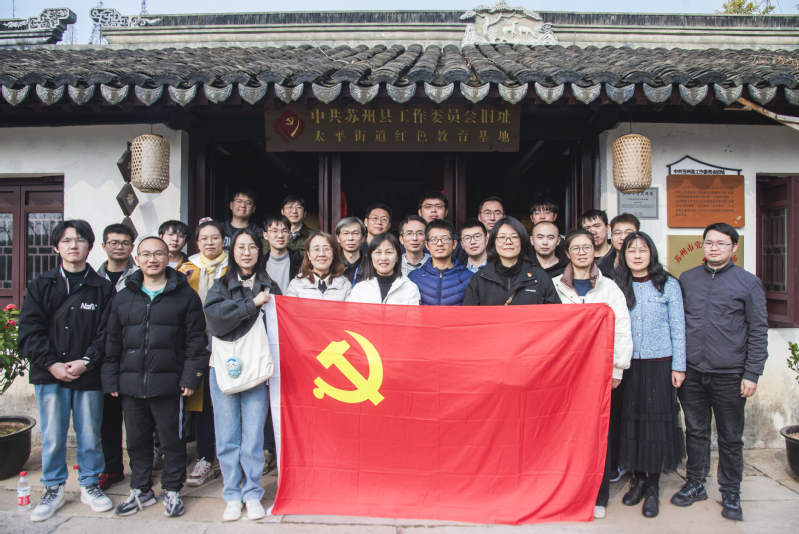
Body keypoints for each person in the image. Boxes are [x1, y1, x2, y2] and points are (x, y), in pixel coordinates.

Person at [103, 237, 209, 518]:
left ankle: (172, 489)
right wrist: (110, 379)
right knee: (137, 442)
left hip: (169, 384)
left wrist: (191, 378)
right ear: (137, 259)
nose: (152, 259)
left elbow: (196, 343)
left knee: (172, 441)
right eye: (146, 254)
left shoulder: (185, 296)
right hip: (130, 384)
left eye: (158, 254)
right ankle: (140, 489)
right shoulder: (123, 296)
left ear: (167, 257)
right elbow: (111, 342)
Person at [19, 220, 115, 522]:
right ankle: (53, 488)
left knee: (90, 435)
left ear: (90, 245)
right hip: (50, 375)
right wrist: (52, 364)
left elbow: (108, 333)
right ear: (56, 247)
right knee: (52, 435)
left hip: (88, 374)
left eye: (80, 240)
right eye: (66, 240)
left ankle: (89, 484)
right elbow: (29, 331)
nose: (74, 245)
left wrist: (87, 361)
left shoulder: (103, 288)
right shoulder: (40, 285)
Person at [671, 223, 768, 522]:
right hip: (692, 373)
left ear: (734, 247)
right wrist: (678, 365)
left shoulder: (748, 283)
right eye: (709, 242)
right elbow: (678, 324)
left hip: (730, 374)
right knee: (695, 432)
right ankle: (696, 483)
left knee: (730, 437)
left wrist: (752, 373)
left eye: (721, 243)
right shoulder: (688, 279)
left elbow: (758, 329)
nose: (714, 248)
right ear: (702, 245)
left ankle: (731, 491)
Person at [552, 229, 632, 519]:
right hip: (563, 374)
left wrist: (617, 368)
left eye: (587, 247)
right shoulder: (554, 286)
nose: (582, 252)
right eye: (576, 248)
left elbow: (621, 328)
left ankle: (597, 496)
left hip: (598, 372)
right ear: (567, 253)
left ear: (594, 251)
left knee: (597, 432)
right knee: (563, 433)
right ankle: (564, 493)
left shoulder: (609, 288)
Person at [204, 228, 281, 521]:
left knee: (253, 437)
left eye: (252, 247)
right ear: (232, 252)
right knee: (227, 436)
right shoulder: (221, 284)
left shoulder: (271, 286)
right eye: (240, 247)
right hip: (223, 368)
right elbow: (215, 321)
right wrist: (252, 303)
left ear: (260, 251)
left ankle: (252, 492)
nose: (246, 252)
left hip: (258, 370)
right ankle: (232, 494)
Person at [615, 231, 686, 519]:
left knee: (655, 426)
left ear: (651, 253)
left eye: (642, 250)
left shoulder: (667, 284)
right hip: (629, 364)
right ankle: (638, 479)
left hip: (659, 364)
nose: (637, 255)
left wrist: (679, 366)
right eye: (631, 250)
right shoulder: (618, 285)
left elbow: (678, 327)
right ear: (624, 255)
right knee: (632, 424)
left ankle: (653, 485)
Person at [179, 219, 229, 487]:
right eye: (204, 238)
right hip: (196, 347)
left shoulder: (233, 266)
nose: (210, 242)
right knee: (201, 406)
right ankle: (205, 457)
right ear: (197, 242)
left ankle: (227, 458)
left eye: (215, 237)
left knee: (227, 401)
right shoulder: (185, 269)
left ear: (223, 240)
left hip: (227, 345)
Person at [96, 223, 138, 491]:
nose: (119, 247)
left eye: (125, 243)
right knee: (107, 417)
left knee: (138, 420)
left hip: (135, 354)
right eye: (113, 242)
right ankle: (111, 468)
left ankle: (141, 470)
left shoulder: (142, 275)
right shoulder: (93, 279)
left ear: (132, 247)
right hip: (104, 356)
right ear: (104, 246)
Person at [462, 217, 560, 306]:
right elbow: (469, 316)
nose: (508, 242)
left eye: (514, 237)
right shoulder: (480, 278)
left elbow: (555, 315)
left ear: (522, 241)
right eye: (502, 237)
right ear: (493, 242)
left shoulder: (540, 277)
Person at [409, 219, 473, 306]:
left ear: (454, 244)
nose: (439, 244)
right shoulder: (414, 277)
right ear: (427, 245)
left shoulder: (469, 277)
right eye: (433, 239)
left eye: (445, 239)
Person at [348, 233, 421, 305]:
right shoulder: (359, 289)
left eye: (389, 252)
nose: (383, 258)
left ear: (397, 257)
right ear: (371, 257)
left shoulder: (410, 288)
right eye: (378, 252)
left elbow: (413, 313)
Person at [286, 231, 352, 301]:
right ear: (309, 255)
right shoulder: (296, 284)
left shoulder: (345, 285)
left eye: (326, 249)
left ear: (333, 254)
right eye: (316, 249)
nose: (321, 254)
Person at [263, 214, 302, 294]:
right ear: (265, 235)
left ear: (290, 235)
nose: (280, 235)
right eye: (275, 231)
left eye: (284, 231)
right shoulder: (259, 264)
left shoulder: (301, 262)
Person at [579, 209, 614, 279]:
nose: (592, 231)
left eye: (597, 226)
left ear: (607, 228)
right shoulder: (579, 256)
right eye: (587, 228)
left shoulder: (618, 254)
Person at [336, 216, 367, 285]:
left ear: (363, 238)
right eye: (345, 233)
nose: (350, 238)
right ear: (338, 238)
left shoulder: (372, 265)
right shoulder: (333, 265)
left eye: (355, 233)